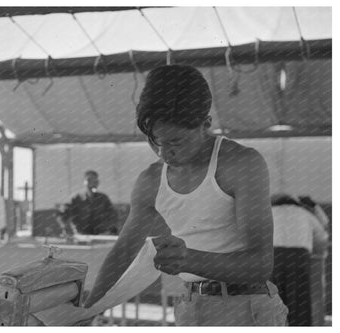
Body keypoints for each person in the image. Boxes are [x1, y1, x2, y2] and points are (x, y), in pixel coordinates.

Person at [84, 64, 288, 326]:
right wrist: (88, 312)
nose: (163, 153)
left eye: (175, 142)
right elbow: (123, 252)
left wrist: (190, 259)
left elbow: (259, 264)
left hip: (247, 307)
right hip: (191, 307)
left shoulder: (241, 164)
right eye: (154, 140)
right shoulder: (150, 180)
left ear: (206, 124)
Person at [271, 194, 328, 326]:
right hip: (299, 259)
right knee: (299, 302)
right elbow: (322, 239)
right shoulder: (306, 214)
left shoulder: (270, 212)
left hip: (274, 258)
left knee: (273, 299)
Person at [62, 170, 118, 235]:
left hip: (100, 235)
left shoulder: (103, 198)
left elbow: (113, 215)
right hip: (81, 236)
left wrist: (108, 230)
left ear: (97, 182)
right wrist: (65, 228)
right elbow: (63, 214)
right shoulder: (75, 198)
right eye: (89, 180)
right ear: (84, 182)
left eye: (94, 181)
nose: (91, 183)